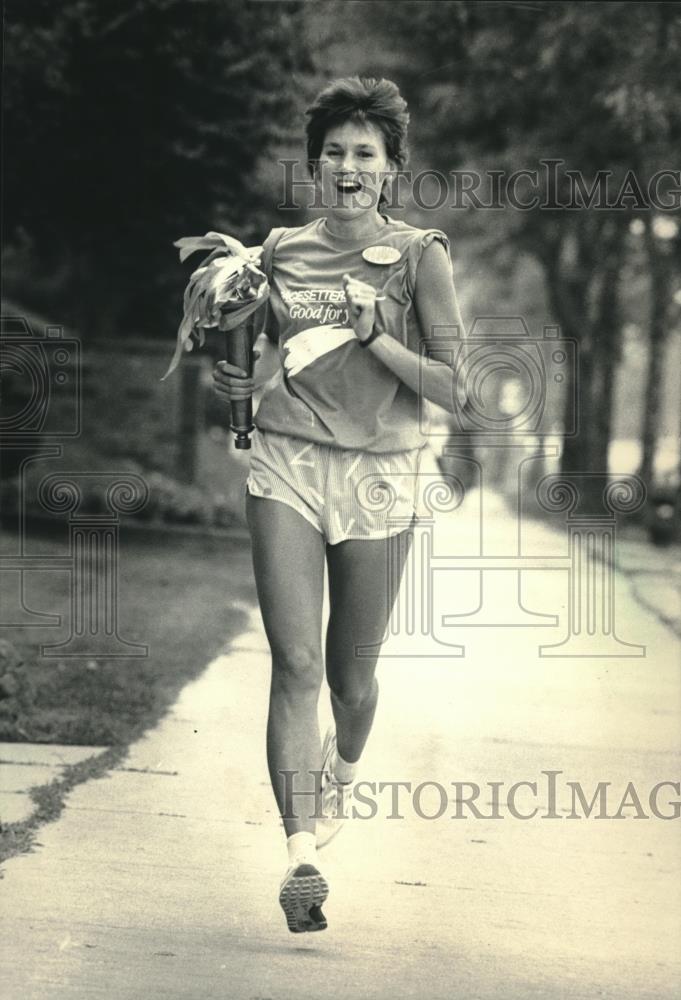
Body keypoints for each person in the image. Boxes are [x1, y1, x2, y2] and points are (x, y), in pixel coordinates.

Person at [212, 75, 465, 934]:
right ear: (314, 165)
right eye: (334, 154)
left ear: (392, 167)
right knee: (295, 664)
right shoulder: (278, 249)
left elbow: (454, 387)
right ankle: (300, 855)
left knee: (352, 683)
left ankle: (342, 776)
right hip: (285, 463)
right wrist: (236, 392)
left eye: (365, 154)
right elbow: (260, 351)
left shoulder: (423, 253)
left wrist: (376, 338)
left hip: (380, 477)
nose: (347, 167)